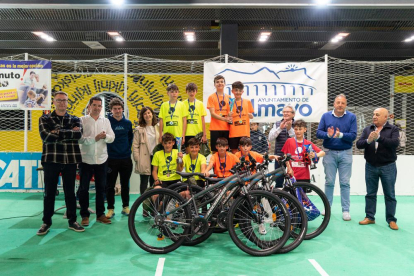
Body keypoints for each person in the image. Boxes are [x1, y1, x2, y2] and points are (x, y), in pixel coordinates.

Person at [37, 91, 84, 235]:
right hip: (51, 160)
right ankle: (46, 222)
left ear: (67, 102)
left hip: (70, 161)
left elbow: (78, 134)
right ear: (54, 102)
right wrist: (68, 132)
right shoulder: (44, 118)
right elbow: (45, 136)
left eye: (64, 100)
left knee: (70, 192)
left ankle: (72, 221)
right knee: (49, 192)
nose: (62, 103)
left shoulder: (75, 119)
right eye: (59, 100)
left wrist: (57, 132)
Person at [356, 108, 399, 230]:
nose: (374, 116)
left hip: (388, 166)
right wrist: (368, 141)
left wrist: (379, 138)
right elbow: (358, 144)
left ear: (385, 117)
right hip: (370, 166)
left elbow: (395, 143)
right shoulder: (367, 129)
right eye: (374, 114)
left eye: (377, 115)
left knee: (389, 194)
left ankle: (391, 220)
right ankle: (370, 217)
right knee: (370, 193)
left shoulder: (393, 129)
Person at [316, 94, 357, 221]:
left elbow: (353, 135)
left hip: (346, 153)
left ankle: (346, 210)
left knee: (345, 183)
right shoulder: (325, 116)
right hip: (329, 153)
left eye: (342, 103)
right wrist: (328, 135)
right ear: (334, 104)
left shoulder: (351, 117)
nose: (340, 105)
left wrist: (340, 135)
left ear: (345, 105)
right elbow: (318, 133)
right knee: (329, 182)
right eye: (338, 102)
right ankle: (327, 207)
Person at [78, 96, 115, 226]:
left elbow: (112, 138)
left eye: (99, 106)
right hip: (85, 159)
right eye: (94, 105)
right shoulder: (81, 120)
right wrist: (95, 138)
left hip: (102, 159)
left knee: (101, 189)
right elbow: (80, 139)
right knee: (84, 189)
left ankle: (100, 215)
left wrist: (105, 137)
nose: (97, 108)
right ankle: (84, 215)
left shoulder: (106, 121)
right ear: (89, 106)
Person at [105, 98, 133, 218]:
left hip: (126, 158)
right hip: (111, 159)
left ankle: (125, 207)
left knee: (125, 184)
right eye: (115, 109)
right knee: (110, 185)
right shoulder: (107, 122)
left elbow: (130, 138)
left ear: (122, 109)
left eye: (119, 108)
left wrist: (126, 149)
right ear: (111, 110)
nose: (117, 111)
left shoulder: (128, 123)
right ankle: (110, 209)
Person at [133, 106, 160, 194]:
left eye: (149, 113)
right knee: (144, 182)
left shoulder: (158, 127)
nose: (147, 115)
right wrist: (137, 159)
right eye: (145, 114)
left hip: (155, 158)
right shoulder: (139, 129)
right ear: (142, 116)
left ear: (152, 114)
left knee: (154, 182)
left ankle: (152, 204)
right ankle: (144, 204)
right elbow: (135, 145)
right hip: (144, 158)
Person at [268, 105, 296, 187]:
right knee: (279, 181)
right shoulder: (277, 124)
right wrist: (280, 128)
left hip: (294, 157)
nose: (285, 113)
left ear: (293, 114)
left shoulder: (297, 124)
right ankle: (279, 198)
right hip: (279, 157)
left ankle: (294, 199)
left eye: (288, 112)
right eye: (284, 112)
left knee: (294, 181)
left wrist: (290, 128)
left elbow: (299, 138)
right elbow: (270, 138)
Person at [207, 75, 232, 153]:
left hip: (226, 128)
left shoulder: (229, 97)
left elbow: (230, 113)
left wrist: (230, 116)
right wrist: (224, 119)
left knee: (226, 151)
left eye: (221, 82)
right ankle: (215, 165)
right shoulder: (211, 97)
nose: (219, 83)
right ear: (214, 84)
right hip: (215, 128)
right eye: (217, 82)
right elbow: (212, 113)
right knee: (215, 151)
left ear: (225, 84)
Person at [228, 81, 254, 154]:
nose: (238, 92)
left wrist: (251, 116)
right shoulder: (230, 102)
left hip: (244, 132)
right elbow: (227, 118)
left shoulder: (247, 102)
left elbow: (251, 115)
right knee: (234, 153)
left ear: (242, 91)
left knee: (245, 152)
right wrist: (228, 115)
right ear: (232, 91)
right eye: (236, 90)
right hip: (233, 132)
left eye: (240, 90)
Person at [183, 82, 207, 149]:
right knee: (188, 154)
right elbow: (183, 121)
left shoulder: (200, 104)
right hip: (187, 133)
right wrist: (183, 135)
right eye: (189, 91)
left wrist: (204, 135)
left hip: (198, 133)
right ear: (186, 92)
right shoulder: (182, 104)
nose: (191, 93)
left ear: (196, 92)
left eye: (193, 91)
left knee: (197, 154)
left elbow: (203, 120)